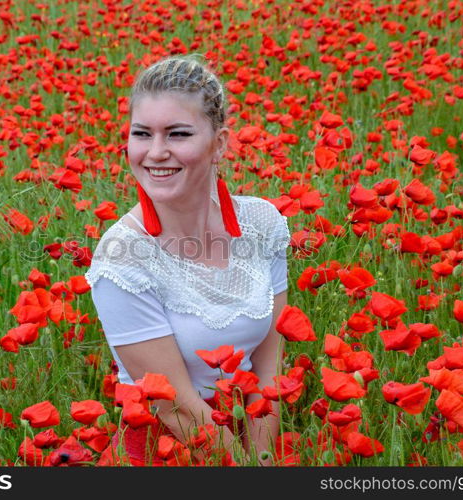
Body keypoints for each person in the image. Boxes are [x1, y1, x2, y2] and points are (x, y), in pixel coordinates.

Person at [84, 55, 291, 466]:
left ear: (219, 143)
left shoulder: (263, 224)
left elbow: (269, 371)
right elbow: (173, 405)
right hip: (169, 447)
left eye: (177, 134)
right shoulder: (122, 256)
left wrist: (264, 460)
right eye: (142, 134)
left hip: (251, 433)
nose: (156, 152)